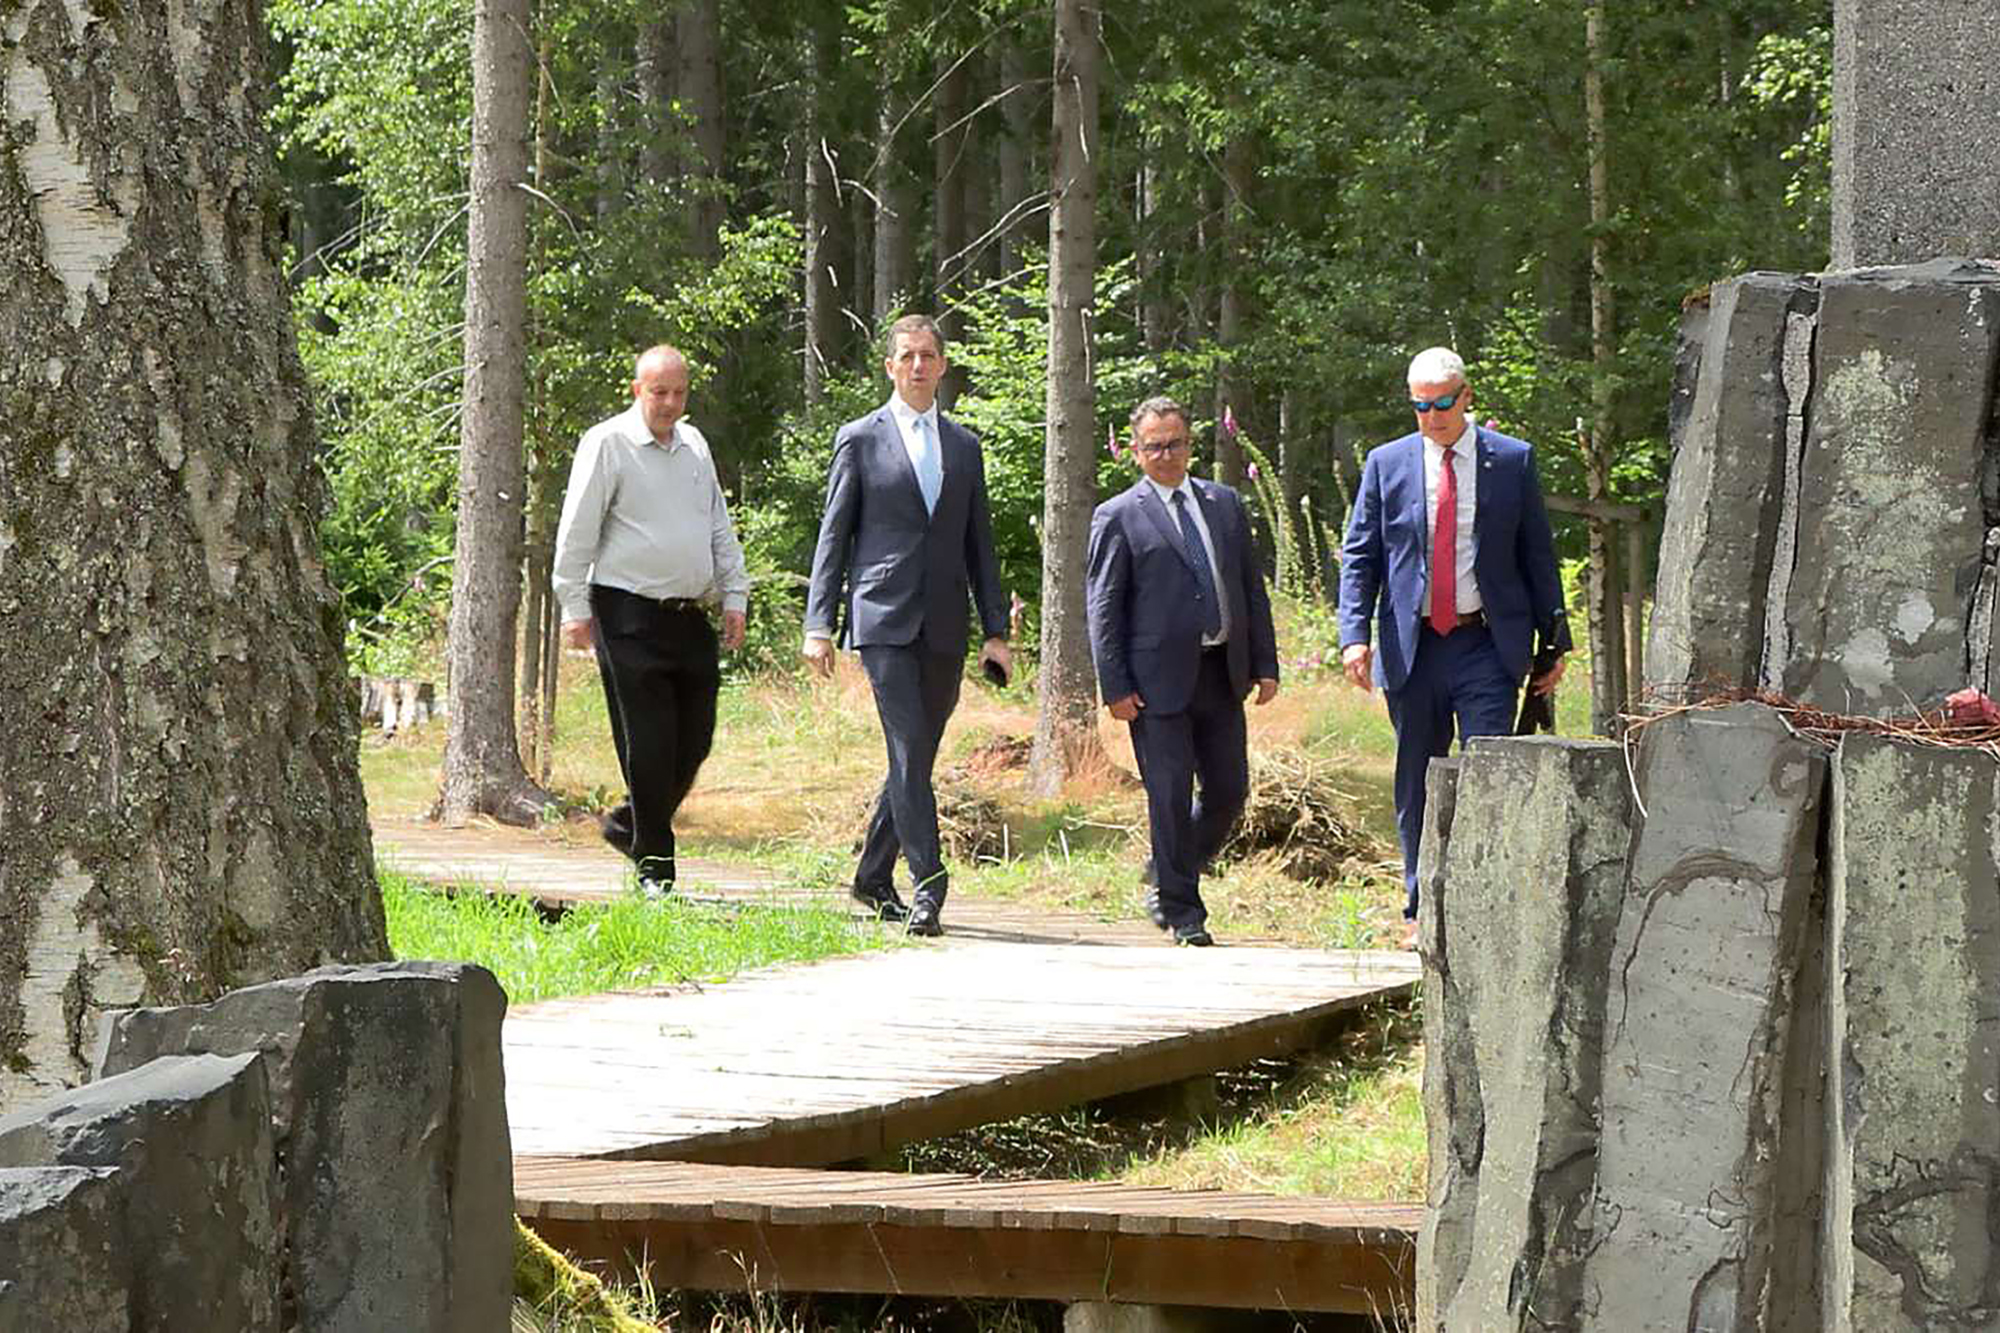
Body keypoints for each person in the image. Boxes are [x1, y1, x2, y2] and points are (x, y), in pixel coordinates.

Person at [1337, 347, 1570, 948]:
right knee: (1417, 773)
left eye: (1442, 403)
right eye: (1420, 406)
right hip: (1413, 645)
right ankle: (1422, 906)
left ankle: (1482, 900)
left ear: (1466, 397)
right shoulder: (1386, 464)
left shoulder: (1511, 460)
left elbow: (1537, 554)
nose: (1432, 416)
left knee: (1488, 769)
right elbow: (1361, 556)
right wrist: (1354, 636)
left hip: (1485, 643)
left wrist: (1555, 644)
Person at [802, 314, 1011, 937]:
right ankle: (928, 886)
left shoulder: (964, 446)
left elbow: (980, 545)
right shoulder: (860, 439)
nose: (918, 365)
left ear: (942, 366)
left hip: (945, 621)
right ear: (890, 367)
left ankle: (871, 876)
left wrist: (995, 630)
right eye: (907, 356)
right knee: (908, 745)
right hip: (883, 616)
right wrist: (819, 623)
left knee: (914, 755)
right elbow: (834, 536)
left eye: (928, 355)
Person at [552, 344, 750, 895]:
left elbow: (717, 525)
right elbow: (577, 531)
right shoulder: (608, 442)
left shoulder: (694, 445)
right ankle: (655, 869)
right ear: (637, 389)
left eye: (678, 393)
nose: (669, 403)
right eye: (659, 392)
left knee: (696, 739)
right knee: (650, 741)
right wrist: (574, 609)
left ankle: (629, 824)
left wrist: (735, 594)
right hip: (627, 611)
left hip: (689, 614)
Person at [1085, 397, 1280, 947]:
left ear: (1190, 445)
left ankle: (1167, 868)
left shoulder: (1224, 504)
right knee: (1168, 795)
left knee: (1229, 791)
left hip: (1221, 672)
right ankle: (1182, 910)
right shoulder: (1118, 516)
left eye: (1175, 444)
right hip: (1154, 684)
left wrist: (1265, 663)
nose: (1166, 454)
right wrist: (1115, 685)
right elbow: (1103, 608)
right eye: (1155, 446)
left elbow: (1250, 590)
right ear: (1136, 452)